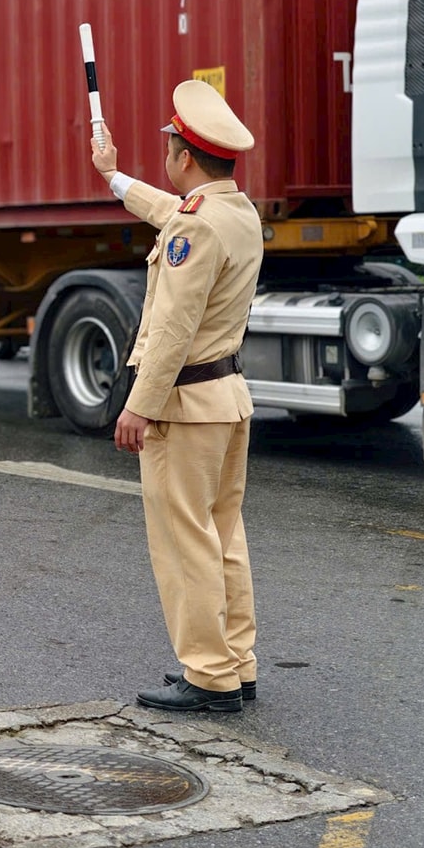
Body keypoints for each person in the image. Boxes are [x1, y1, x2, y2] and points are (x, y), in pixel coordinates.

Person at [91, 79, 264, 713]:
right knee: (223, 535)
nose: (164, 153)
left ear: (184, 156)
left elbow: (170, 328)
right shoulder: (234, 215)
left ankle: (207, 675)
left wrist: (139, 404)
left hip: (184, 408)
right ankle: (237, 664)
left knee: (183, 538)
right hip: (225, 398)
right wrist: (113, 177)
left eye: (167, 144)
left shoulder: (198, 230)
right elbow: (173, 212)